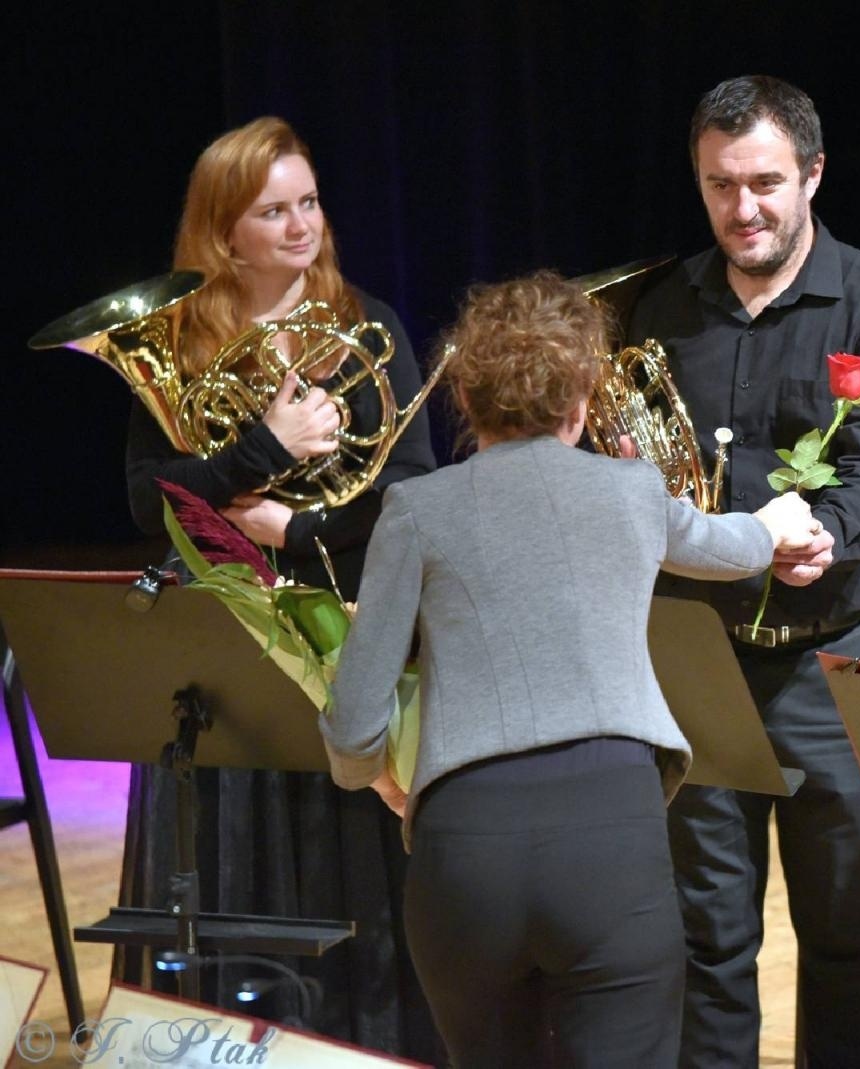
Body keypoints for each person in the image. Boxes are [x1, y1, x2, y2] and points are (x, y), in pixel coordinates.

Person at [321, 270, 820, 1068]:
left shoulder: (414, 512)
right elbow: (730, 546)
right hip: (610, 848)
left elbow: (352, 729)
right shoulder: (632, 490)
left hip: (465, 854)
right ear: (583, 393)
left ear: (467, 399)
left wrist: (376, 771)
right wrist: (777, 525)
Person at [625, 75, 860, 1068]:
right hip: (699, 659)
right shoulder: (656, 309)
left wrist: (825, 534)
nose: (742, 209)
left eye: (763, 182)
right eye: (720, 185)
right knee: (707, 938)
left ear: (812, 175)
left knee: (845, 931)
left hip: (834, 655)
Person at [119, 116, 440, 1060]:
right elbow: (148, 498)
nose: (302, 226)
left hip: (338, 626)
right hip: (223, 626)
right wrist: (265, 452)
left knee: (342, 863)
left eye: (308, 202)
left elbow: (411, 489)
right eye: (273, 210)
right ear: (225, 233)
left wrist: (294, 525)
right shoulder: (175, 341)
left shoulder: (366, 327)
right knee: (224, 858)